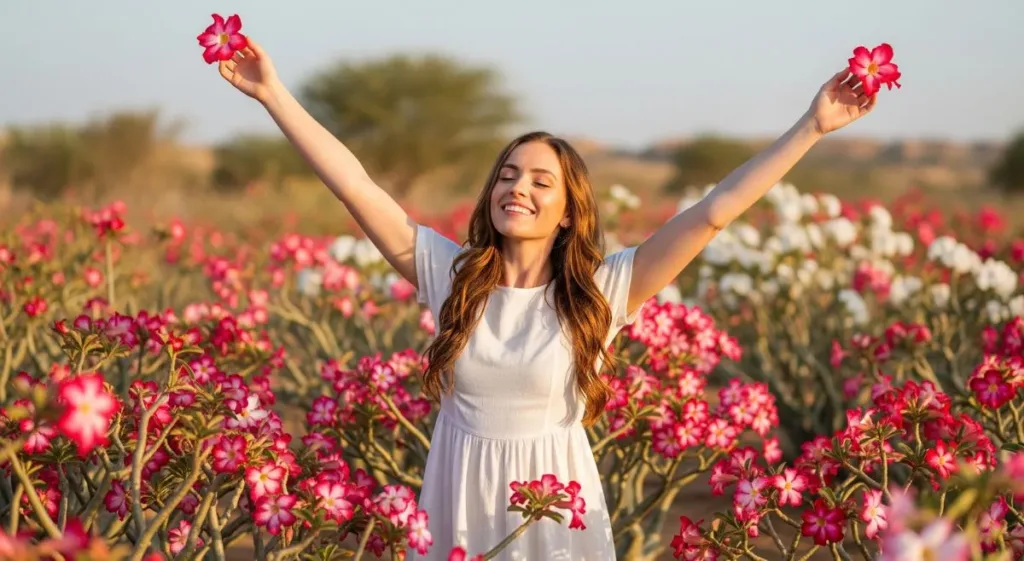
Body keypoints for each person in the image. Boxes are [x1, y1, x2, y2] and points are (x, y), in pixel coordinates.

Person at [216, 39, 878, 560]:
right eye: (507, 175)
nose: (517, 188)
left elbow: (713, 213)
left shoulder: (602, 290)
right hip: (457, 507)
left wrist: (812, 127)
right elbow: (356, 188)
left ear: (567, 211)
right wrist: (274, 95)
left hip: (555, 517)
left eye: (539, 180)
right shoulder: (451, 275)